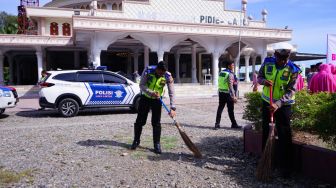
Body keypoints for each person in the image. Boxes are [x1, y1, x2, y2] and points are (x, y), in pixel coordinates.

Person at [258, 42, 300, 178]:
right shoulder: (267, 62)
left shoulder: (293, 69)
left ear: (288, 56)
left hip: (283, 105)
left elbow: (291, 90)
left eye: (285, 58)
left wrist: (278, 104)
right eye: (280, 58)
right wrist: (264, 81)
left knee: (284, 134)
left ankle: (286, 166)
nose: (282, 61)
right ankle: (267, 160)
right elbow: (259, 77)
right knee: (266, 130)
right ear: (275, 54)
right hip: (267, 101)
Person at [131, 61, 176, 154]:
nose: (161, 75)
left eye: (162, 73)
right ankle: (136, 140)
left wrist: (173, 107)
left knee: (156, 123)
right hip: (145, 98)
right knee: (140, 121)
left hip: (157, 101)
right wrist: (151, 92)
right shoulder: (148, 70)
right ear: (157, 69)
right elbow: (142, 85)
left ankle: (157, 144)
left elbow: (171, 92)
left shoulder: (167, 76)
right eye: (159, 73)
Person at [215, 61, 241, 130]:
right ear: (229, 66)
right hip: (228, 94)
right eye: (232, 65)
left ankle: (217, 124)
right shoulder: (230, 74)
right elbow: (230, 85)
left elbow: (220, 81)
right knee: (230, 110)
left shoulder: (221, 72)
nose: (233, 66)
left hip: (221, 92)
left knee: (220, 108)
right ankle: (234, 124)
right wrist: (234, 96)